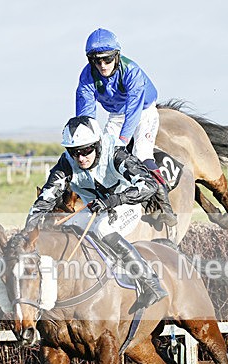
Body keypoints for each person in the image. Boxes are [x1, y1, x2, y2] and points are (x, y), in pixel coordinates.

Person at [17, 116, 168, 314]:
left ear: (97, 144)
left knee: (102, 229)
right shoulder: (66, 164)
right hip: (95, 208)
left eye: (86, 150)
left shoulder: (115, 153)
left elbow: (149, 185)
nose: (80, 158)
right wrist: (28, 234)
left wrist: (113, 200)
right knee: (61, 230)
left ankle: (150, 283)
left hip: (125, 204)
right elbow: (44, 201)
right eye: (74, 152)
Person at [75, 27, 175, 226]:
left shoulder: (132, 71)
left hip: (143, 111)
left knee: (140, 152)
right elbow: (86, 114)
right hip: (117, 114)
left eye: (108, 59)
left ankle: (166, 207)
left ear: (117, 56)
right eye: (97, 61)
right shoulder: (87, 76)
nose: (102, 65)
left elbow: (134, 110)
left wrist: (121, 142)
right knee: (102, 153)